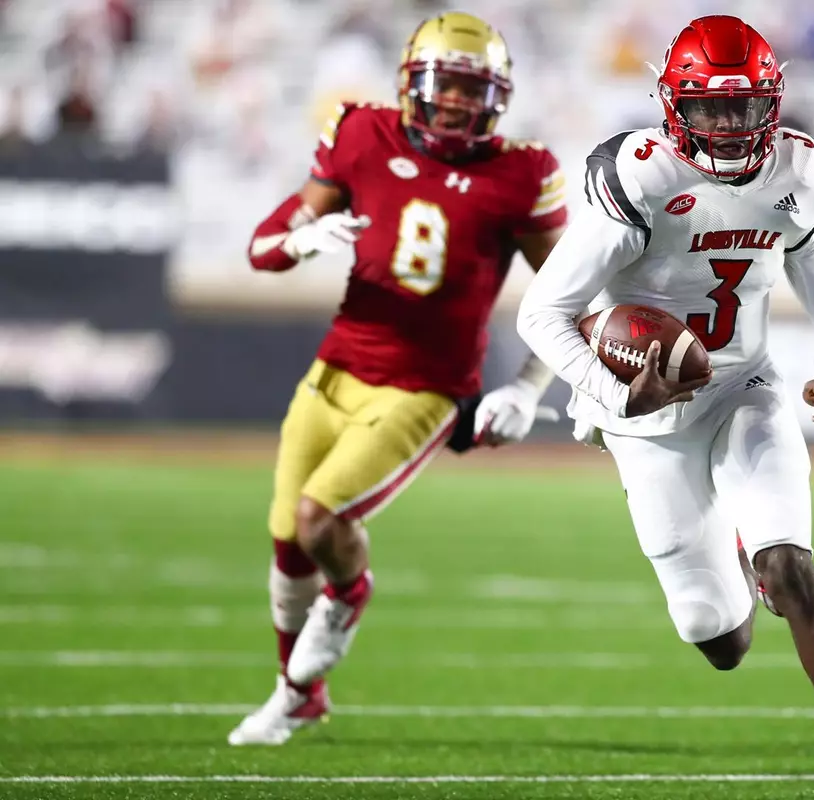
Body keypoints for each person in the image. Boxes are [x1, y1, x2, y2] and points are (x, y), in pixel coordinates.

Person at [516, 15, 814, 800]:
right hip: (644, 415)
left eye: (745, 106)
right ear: (672, 106)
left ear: (775, 102)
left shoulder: (799, 172)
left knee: (791, 568)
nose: (729, 126)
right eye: (710, 108)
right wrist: (619, 389)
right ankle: (731, 544)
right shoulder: (641, 178)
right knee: (716, 636)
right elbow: (540, 313)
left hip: (743, 386)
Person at [228, 11, 568, 746]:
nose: (454, 104)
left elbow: (574, 293)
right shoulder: (360, 134)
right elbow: (261, 248)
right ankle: (301, 694)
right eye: (444, 86)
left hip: (426, 388)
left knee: (321, 519)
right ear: (413, 83)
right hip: (336, 368)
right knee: (287, 539)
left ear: (497, 98)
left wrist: (528, 387)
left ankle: (349, 594)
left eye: (470, 91)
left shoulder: (522, 172)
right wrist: (302, 239)